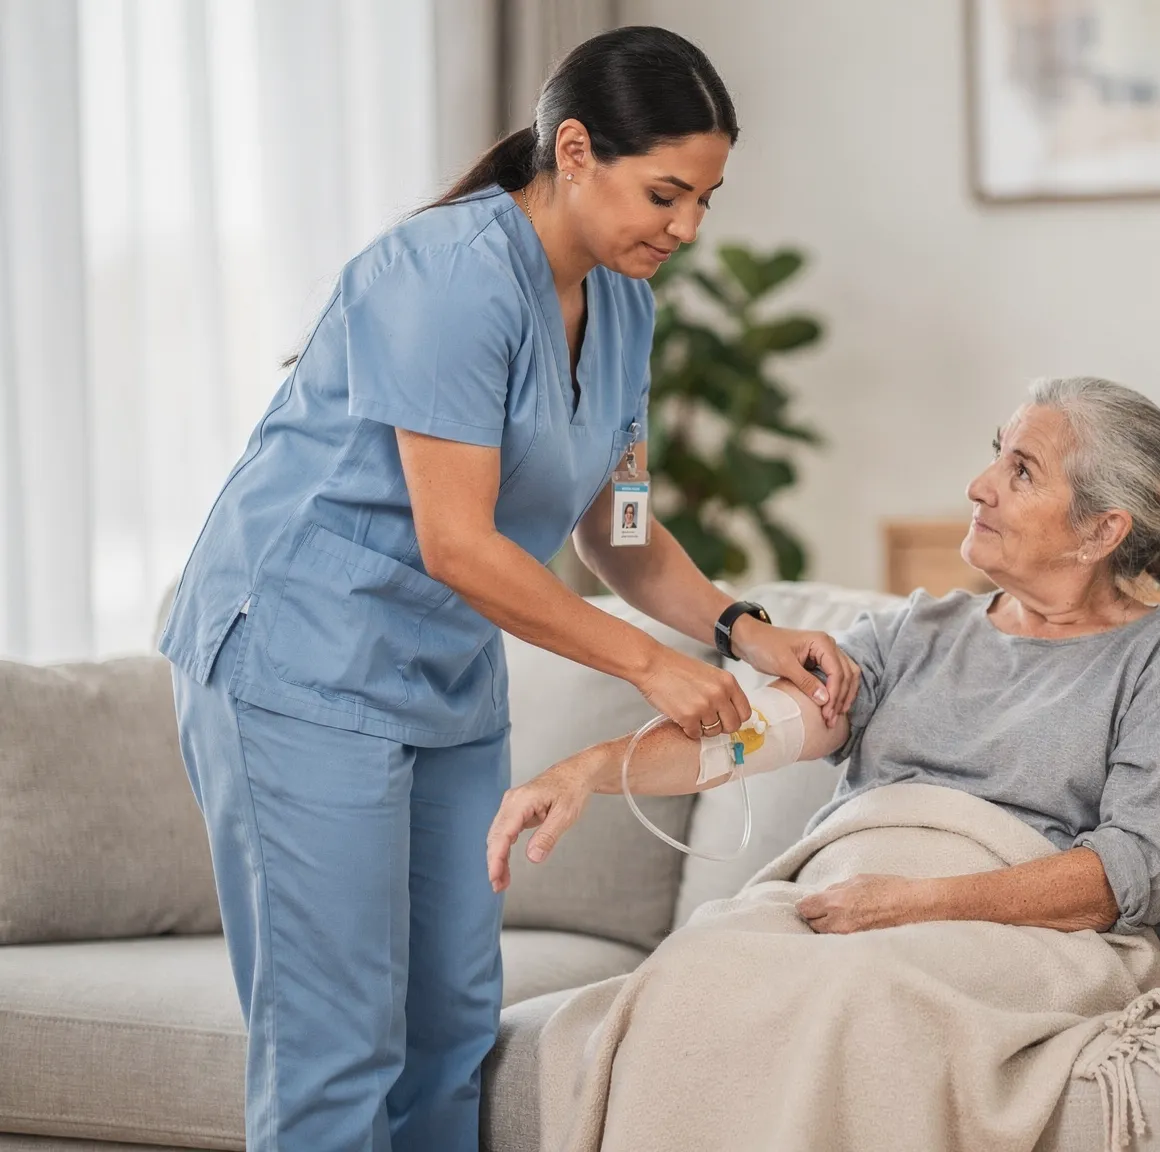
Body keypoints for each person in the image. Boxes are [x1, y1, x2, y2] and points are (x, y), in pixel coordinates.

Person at [155, 27, 856, 1152]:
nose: (686, 228)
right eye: (665, 193)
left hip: (441, 677)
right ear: (572, 150)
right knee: (338, 1048)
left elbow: (617, 532)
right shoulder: (440, 278)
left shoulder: (624, 305)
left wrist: (743, 629)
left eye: (705, 200)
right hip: (299, 658)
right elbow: (458, 544)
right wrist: (645, 663)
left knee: (449, 1028)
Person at [492, 375, 1160, 965]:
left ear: (1102, 531)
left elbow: (1133, 872)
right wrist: (589, 769)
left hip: (1006, 941)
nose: (980, 485)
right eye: (994, 453)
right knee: (681, 985)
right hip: (850, 911)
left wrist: (917, 904)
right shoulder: (915, 632)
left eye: (1022, 471)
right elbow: (751, 736)